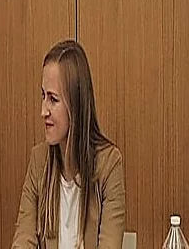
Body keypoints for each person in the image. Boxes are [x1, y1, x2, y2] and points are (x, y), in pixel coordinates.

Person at [12, 39, 125, 248]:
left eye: (53, 99)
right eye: (43, 96)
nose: (43, 111)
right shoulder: (39, 161)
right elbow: (23, 240)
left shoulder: (109, 165)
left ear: (76, 104)